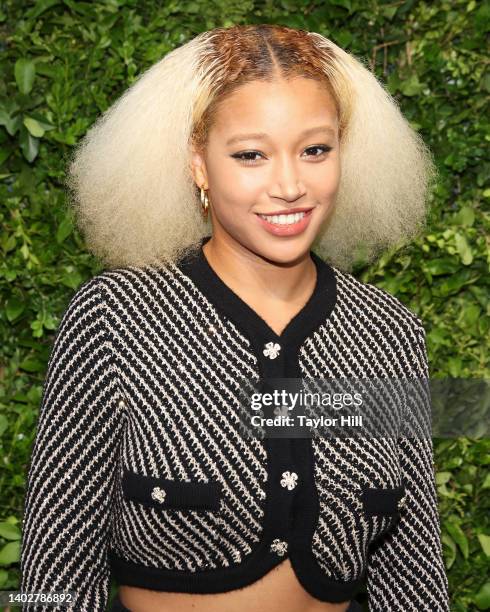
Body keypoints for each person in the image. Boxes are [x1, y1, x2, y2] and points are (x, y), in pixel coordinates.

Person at [19, 24, 449, 612]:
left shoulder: (386, 330)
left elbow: (413, 569)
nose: (291, 185)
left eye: (316, 149)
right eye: (251, 154)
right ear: (198, 163)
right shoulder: (116, 318)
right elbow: (56, 560)